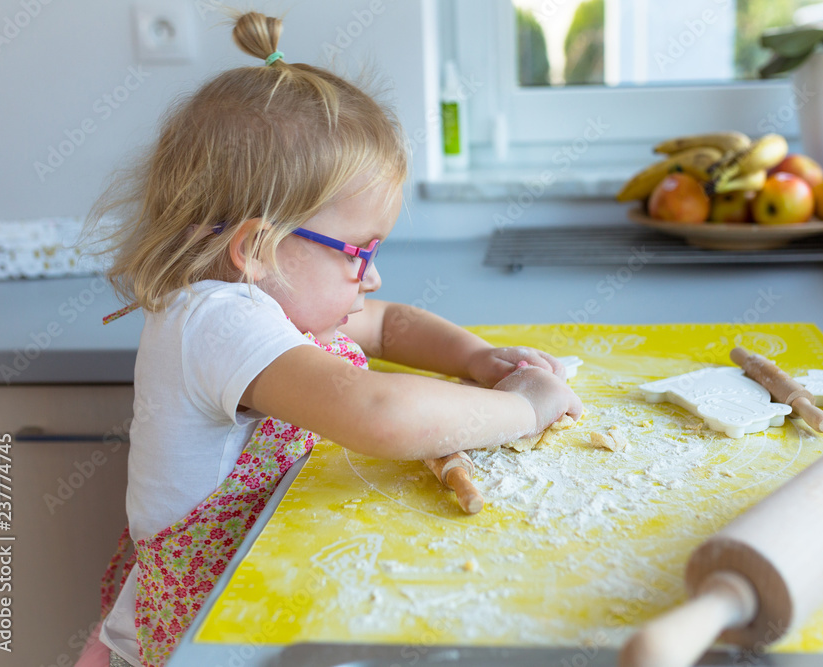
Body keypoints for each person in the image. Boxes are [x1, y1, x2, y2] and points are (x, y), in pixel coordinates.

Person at [77, 10, 583, 667]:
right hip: (208, 635)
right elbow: (378, 414)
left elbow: (388, 320)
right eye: (358, 250)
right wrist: (525, 409)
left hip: (265, 595)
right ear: (259, 247)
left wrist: (478, 358)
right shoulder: (216, 323)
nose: (372, 273)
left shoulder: (275, 300)